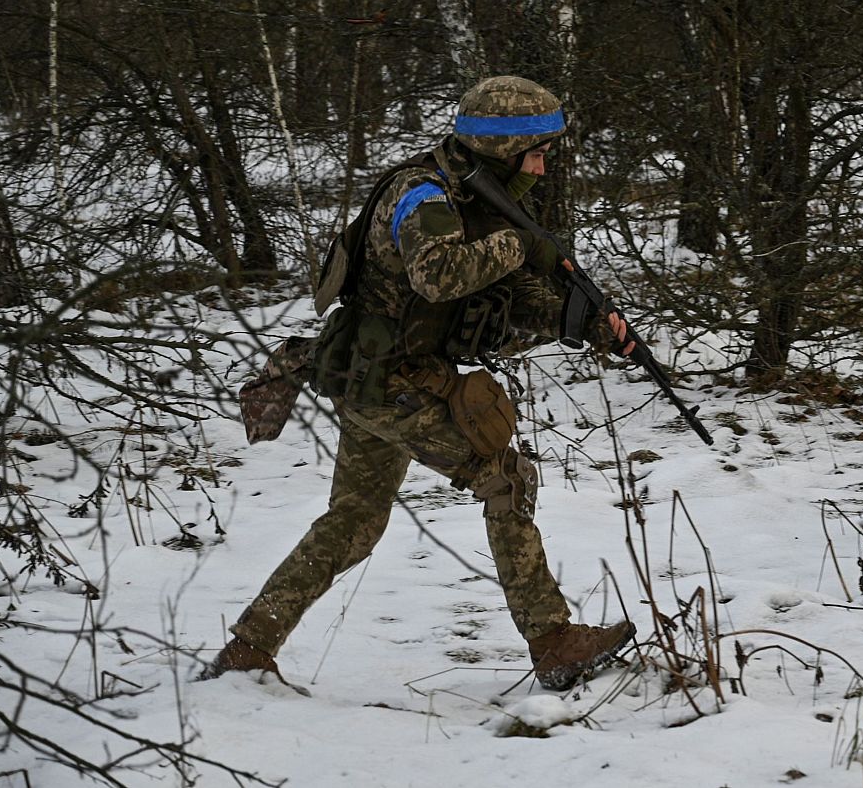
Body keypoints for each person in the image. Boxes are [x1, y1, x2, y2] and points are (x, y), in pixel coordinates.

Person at [206, 76, 636, 692]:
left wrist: (587, 323)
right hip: (390, 383)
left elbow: (511, 296)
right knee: (506, 478)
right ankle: (553, 643)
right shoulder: (423, 195)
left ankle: (248, 648)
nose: (542, 168)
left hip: (375, 380)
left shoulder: (480, 197)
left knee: (353, 522)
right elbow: (438, 276)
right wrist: (521, 245)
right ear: (502, 149)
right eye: (536, 154)